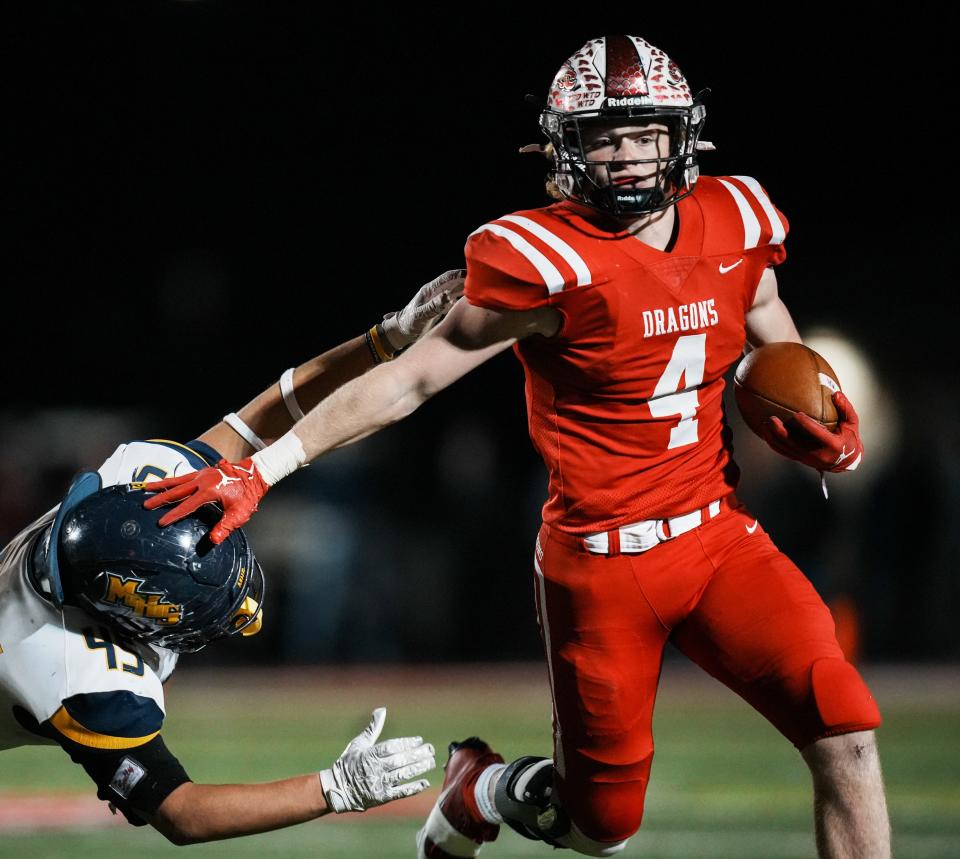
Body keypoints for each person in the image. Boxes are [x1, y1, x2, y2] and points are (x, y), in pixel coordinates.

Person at [143, 35, 890, 858]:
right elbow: (408, 381)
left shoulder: (737, 217)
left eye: (647, 135)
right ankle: (484, 785)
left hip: (719, 536)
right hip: (604, 564)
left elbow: (766, 321)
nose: (632, 158)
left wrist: (814, 407)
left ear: (685, 136)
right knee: (600, 828)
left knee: (845, 730)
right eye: (607, 137)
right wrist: (266, 466)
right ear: (567, 150)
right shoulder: (542, 258)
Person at [0, 271, 464, 844]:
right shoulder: (74, 672)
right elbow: (181, 812)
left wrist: (387, 338)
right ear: (138, 620)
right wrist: (334, 788)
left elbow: (268, 414)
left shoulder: (132, 489)